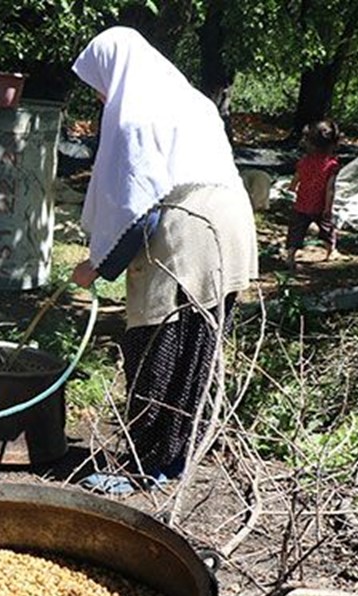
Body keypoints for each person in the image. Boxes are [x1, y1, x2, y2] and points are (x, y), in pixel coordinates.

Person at [69, 27, 258, 493]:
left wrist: (97, 267)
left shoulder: (135, 113)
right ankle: (172, 456)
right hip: (231, 225)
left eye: (96, 80)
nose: (97, 92)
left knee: (156, 342)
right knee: (199, 343)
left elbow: (135, 206)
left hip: (189, 230)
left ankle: (141, 467)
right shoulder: (190, 101)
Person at [286, 119, 341, 267]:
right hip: (320, 205)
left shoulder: (304, 161)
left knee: (296, 231)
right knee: (327, 229)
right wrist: (328, 208)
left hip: (301, 204)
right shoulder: (331, 165)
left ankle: (290, 255)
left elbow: (297, 177)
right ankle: (331, 251)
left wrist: (291, 189)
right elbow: (330, 189)